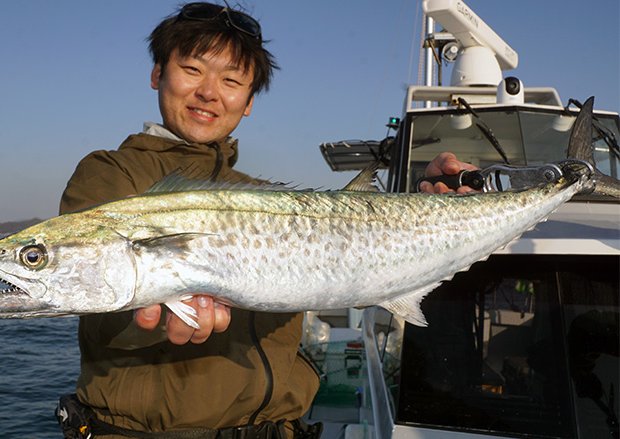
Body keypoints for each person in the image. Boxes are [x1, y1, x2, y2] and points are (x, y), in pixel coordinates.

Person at [56, 3, 472, 438]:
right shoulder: (112, 175)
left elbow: (352, 269)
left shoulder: (263, 194)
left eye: (232, 80)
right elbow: (102, 311)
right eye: (193, 69)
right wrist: (156, 317)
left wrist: (427, 216)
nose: (209, 92)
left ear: (249, 101)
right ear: (158, 73)